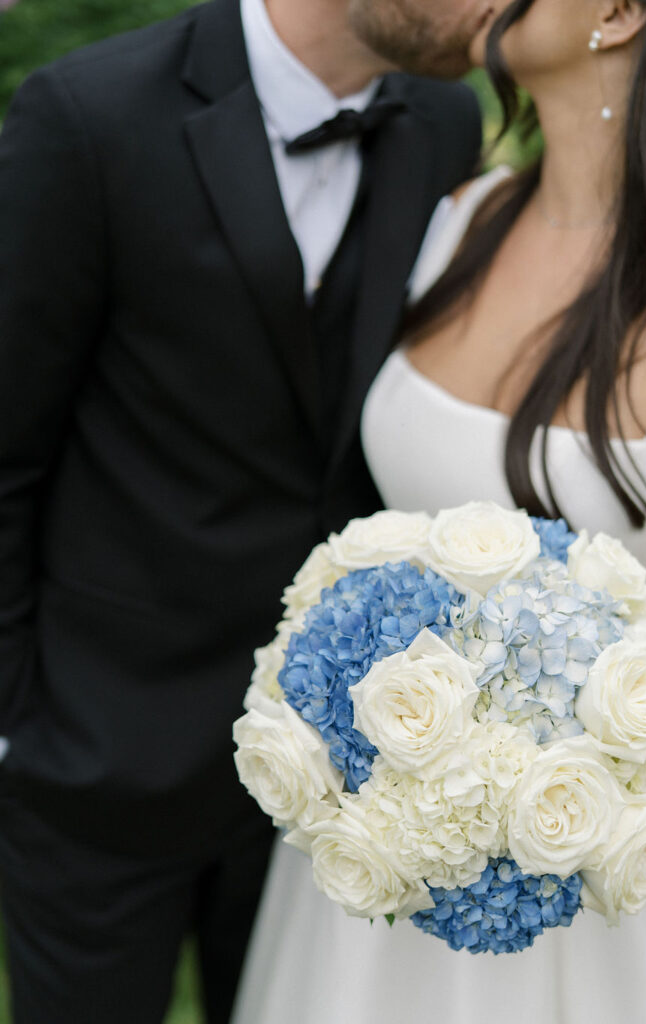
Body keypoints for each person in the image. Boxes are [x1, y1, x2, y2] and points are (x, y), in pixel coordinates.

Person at [231, 0, 646, 1021]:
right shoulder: (463, 214)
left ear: (616, 12)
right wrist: (407, 768)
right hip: (382, 830)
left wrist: (543, 758)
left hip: (606, 858)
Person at [0, 0, 487, 1019]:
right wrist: (21, 728)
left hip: (330, 767)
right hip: (94, 759)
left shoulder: (446, 122)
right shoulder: (88, 117)